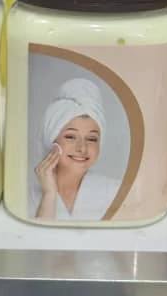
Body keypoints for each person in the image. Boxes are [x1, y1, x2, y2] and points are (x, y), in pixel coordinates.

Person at [34, 77, 120, 221]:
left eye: (91, 139)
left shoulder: (114, 191)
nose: (82, 148)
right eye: (71, 137)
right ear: (52, 139)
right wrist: (49, 195)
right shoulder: (24, 196)